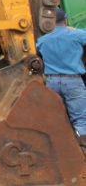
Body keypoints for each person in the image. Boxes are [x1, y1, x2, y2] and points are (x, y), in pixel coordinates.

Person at [37, 8, 86, 149]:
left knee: (57, 118)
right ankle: (82, 151)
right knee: (80, 118)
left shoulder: (41, 41)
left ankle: (61, 149)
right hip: (73, 82)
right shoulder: (75, 36)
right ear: (64, 20)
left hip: (52, 82)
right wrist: (72, 29)